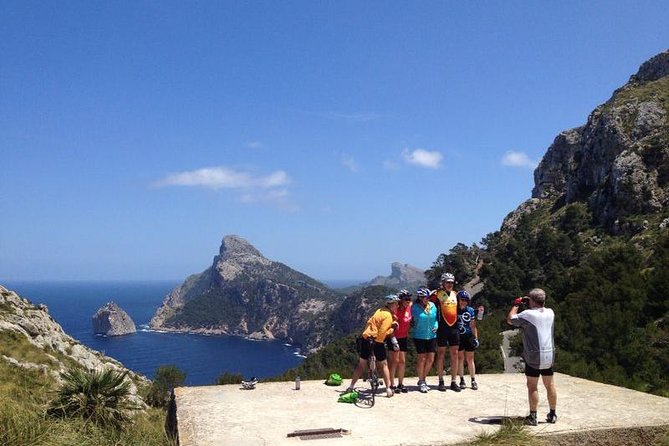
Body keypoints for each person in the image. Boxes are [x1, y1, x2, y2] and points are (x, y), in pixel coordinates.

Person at [507, 288, 558, 426]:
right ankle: (552, 414)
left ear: (532, 300)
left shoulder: (528, 314)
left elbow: (511, 319)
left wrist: (517, 304)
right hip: (549, 355)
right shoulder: (550, 312)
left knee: (532, 386)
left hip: (534, 356)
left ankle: (533, 415)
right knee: (550, 385)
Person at [346, 294, 400, 398]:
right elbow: (382, 334)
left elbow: (370, 322)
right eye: (397, 304)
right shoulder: (388, 316)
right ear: (392, 305)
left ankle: (351, 386)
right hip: (377, 341)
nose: (397, 306)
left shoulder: (379, 310)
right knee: (384, 364)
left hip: (366, 338)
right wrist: (393, 328)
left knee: (361, 365)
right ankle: (388, 389)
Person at [430, 272, 461, 391]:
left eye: (452, 282)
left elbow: (460, 309)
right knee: (441, 354)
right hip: (442, 328)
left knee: (455, 354)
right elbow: (429, 306)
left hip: (454, 328)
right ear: (443, 283)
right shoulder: (437, 294)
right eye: (447, 282)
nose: (450, 284)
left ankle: (454, 381)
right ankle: (441, 381)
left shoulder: (455, 294)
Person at [411, 286, 438, 393]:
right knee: (421, 359)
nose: (427, 299)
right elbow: (409, 318)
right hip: (419, 336)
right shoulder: (414, 307)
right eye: (425, 297)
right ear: (420, 297)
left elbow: (436, 318)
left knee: (431, 359)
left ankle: (423, 378)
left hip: (432, 336)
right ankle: (421, 381)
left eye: (428, 297)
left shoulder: (432, 306)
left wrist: (436, 326)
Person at [388, 289, 412, 393]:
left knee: (402, 361)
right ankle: (392, 384)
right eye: (406, 299)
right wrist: (393, 340)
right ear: (400, 300)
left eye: (409, 299)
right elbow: (390, 325)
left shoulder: (409, 307)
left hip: (404, 337)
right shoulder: (395, 310)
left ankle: (401, 383)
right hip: (393, 337)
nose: (408, 301)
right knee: (394, 361)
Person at [456, 290, 479, 390]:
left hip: (469, 336)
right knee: (460, 359)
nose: (464, 302)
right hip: (458, 337)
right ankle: (461, 379)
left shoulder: (470, 310)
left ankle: (473, 380)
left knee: (470, 359)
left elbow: (473, 325)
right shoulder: (454, 310)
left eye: (466, 300)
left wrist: (476, 338)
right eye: (462, 300)